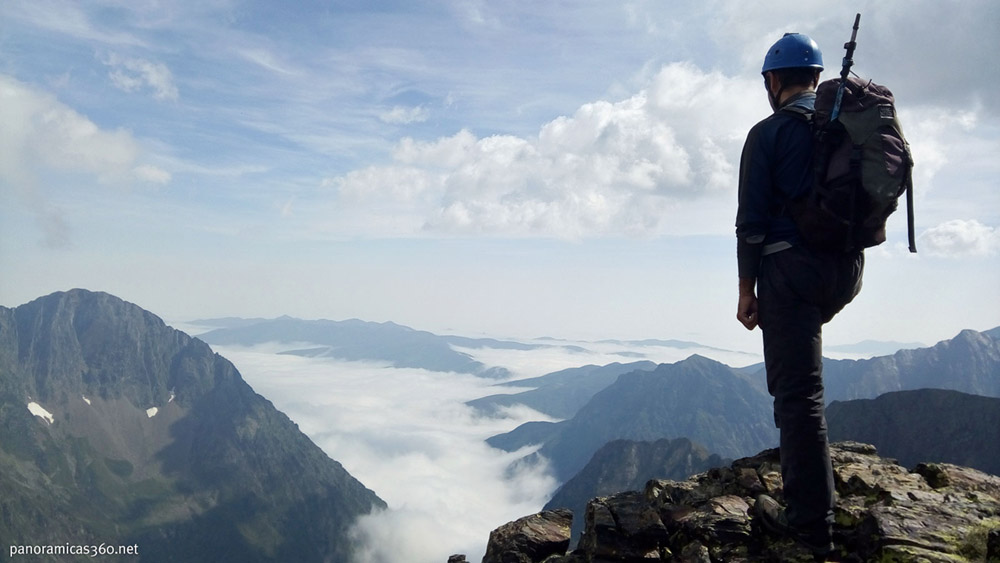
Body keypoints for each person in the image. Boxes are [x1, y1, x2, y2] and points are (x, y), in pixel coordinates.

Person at [735, 32, 864, 559]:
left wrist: (748, 290)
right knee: (801, 385)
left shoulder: (766, 135)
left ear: (773, 80)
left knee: (798, 397)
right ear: (817, 78)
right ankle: (812, 501)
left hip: (791, 272)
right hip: (847, 271)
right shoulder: (848, 127)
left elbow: (751, 225)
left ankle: (811, 529)